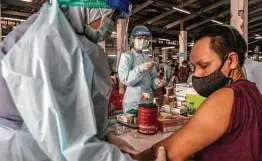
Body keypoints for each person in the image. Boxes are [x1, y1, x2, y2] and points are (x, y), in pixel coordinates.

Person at [0, 0, 162, 160]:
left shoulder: (72, 39)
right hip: (26, 150)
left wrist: (105, 136)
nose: (111, 25)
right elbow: (71, 146)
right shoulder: (47, 40)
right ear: (88, 5)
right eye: (111, 15)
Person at [134, 25, 262, 161]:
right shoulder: (252, 90)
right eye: (194, 67)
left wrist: (125, 157)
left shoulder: (226, 97)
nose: (196, 74)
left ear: (231, 61)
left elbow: (168, 151)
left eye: (204, 65)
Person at [118, 26, 162, 113]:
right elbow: (124, 79)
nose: (143, 41)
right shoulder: (127, 56)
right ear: (133, 39)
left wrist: (157, 82)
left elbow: (152, 78)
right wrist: (140, 69)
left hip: (149, 100)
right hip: (134, 102)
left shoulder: (148, 58)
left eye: (145, 38)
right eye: (139, 38)